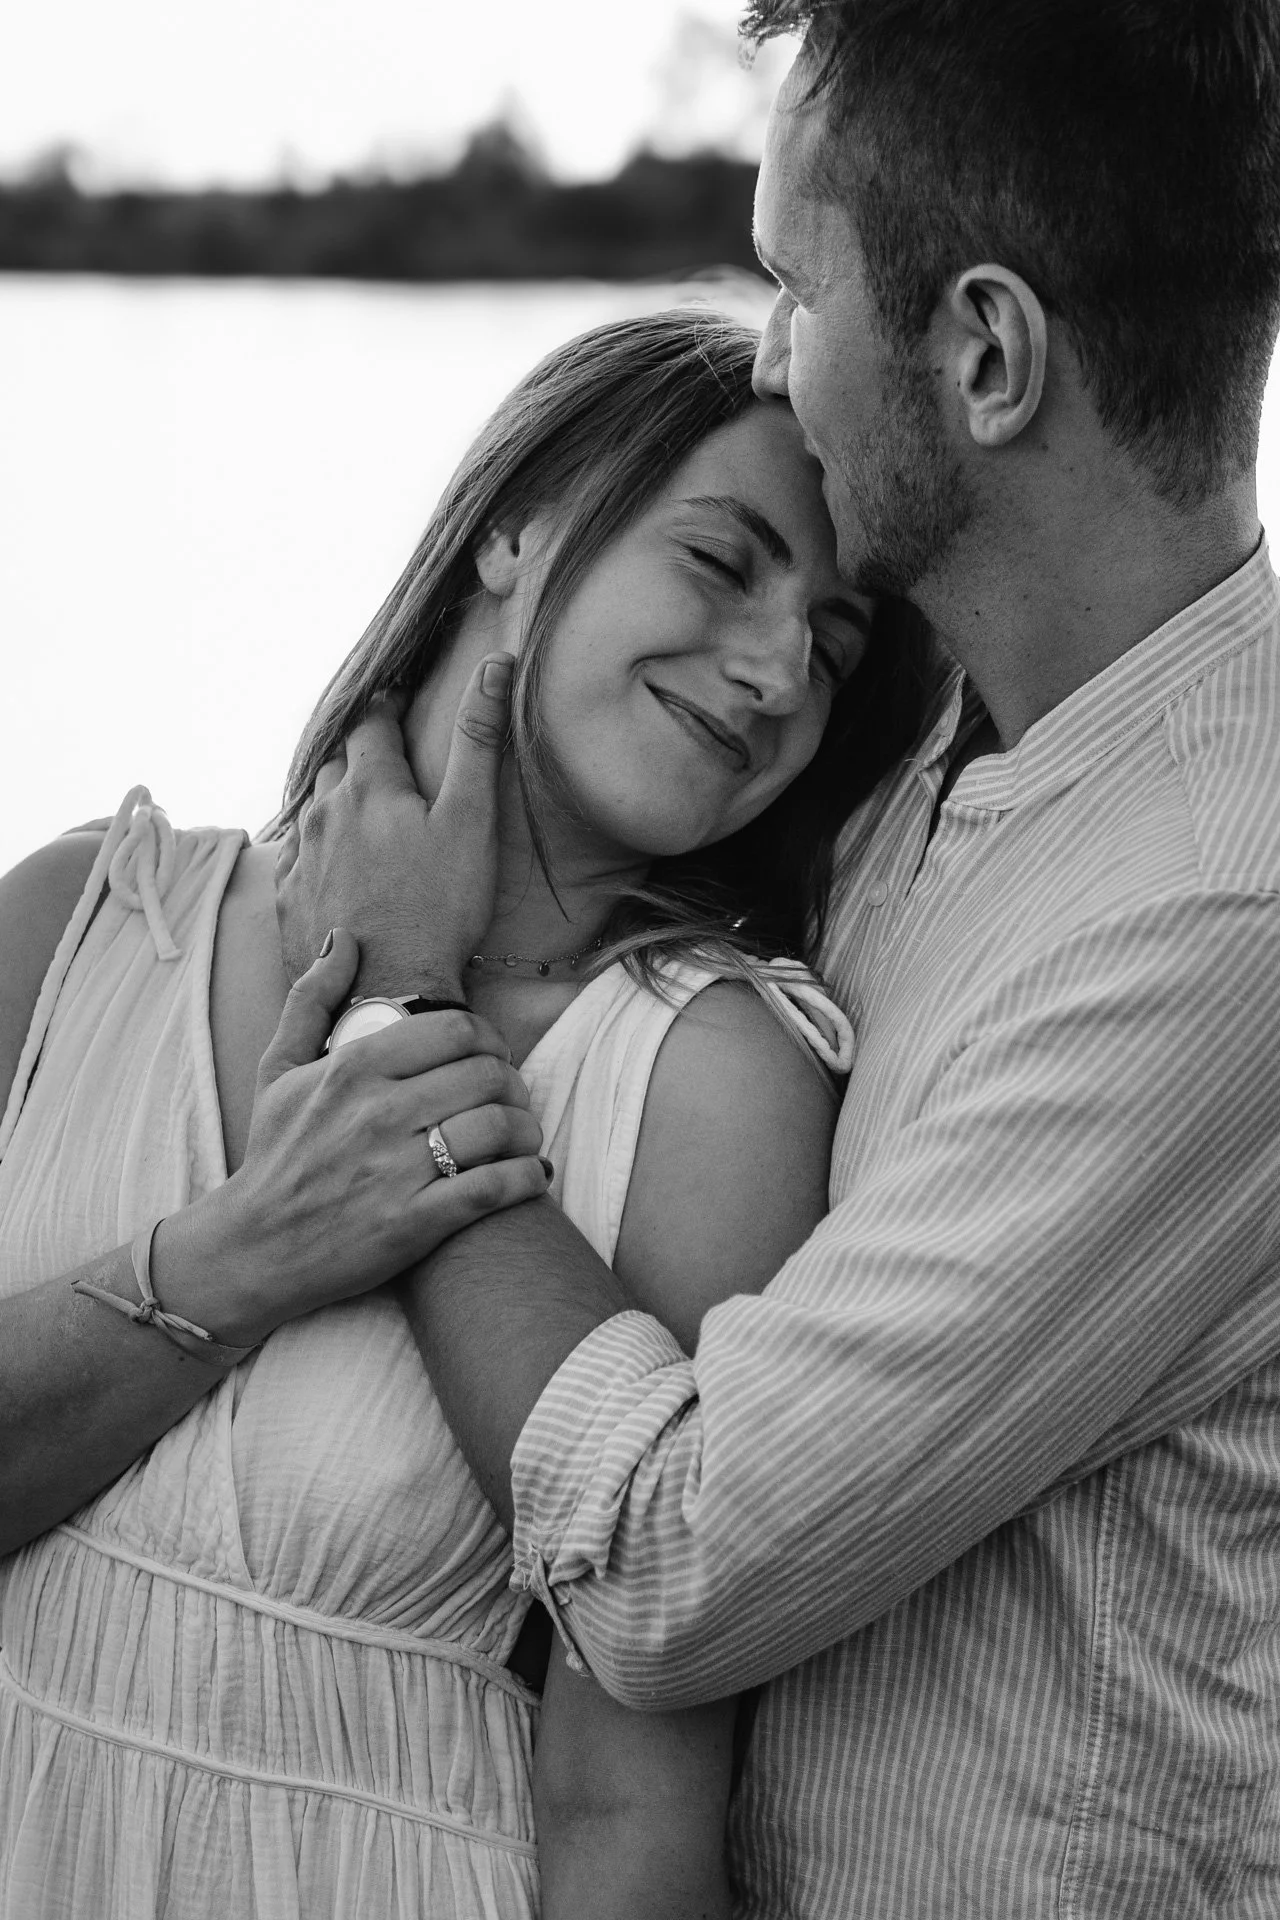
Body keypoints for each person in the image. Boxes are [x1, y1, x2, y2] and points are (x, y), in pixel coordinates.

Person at [276, 4, 1280, 1915]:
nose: (763, 355)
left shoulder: (1224, 911)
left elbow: (670, 1561)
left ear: (985, 355)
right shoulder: (925, 750)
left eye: (792, 283)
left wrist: (410, 1020)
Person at [0, 309, 929, 1918]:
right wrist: (233, 1260)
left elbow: (628, 1794)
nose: (781, 670)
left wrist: (398, 1017)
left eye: (834, 645)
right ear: (518, 523)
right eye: (724, 562)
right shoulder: (86, 916)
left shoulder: (710, 1082)